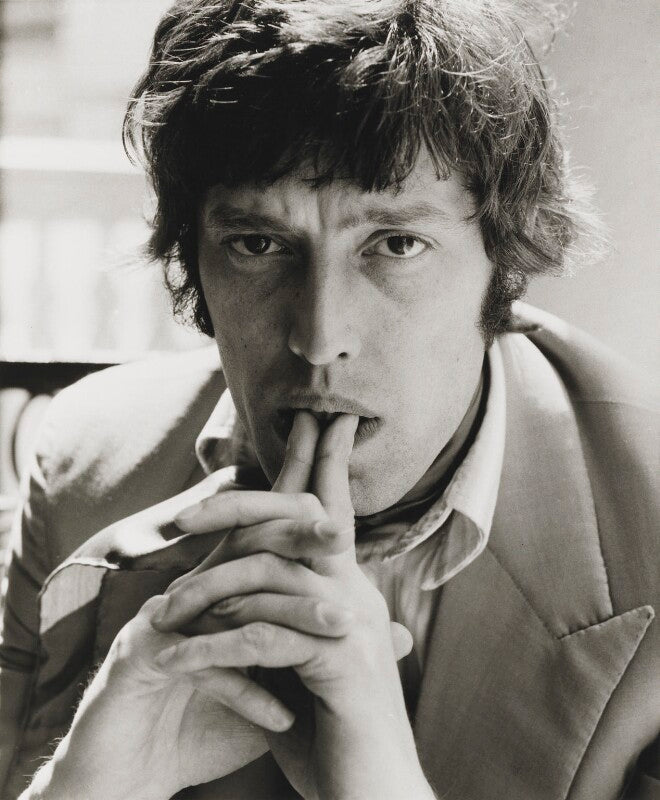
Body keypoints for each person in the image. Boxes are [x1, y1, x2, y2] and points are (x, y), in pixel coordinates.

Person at [1, 1, 658, 798]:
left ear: (505, 265)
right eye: (257, 244)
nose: (319, 337)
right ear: (196, 262)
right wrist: (85, 784)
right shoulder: (84, 467)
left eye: (396, 244)